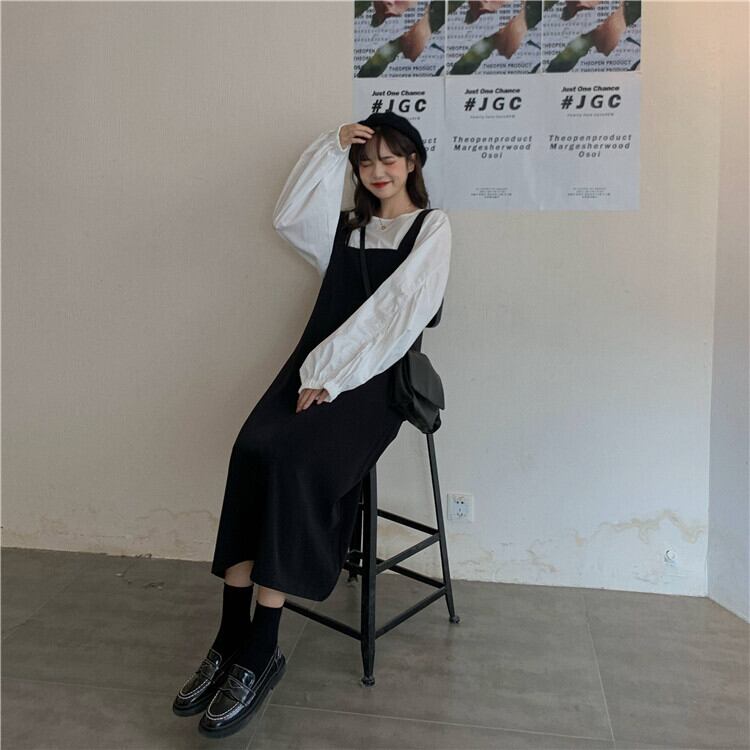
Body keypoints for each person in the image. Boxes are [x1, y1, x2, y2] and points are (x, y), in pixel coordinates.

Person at [172, 112, 452, 739]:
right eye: (365, 162)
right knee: (251, 449)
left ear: (412, 162)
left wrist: (332, 375)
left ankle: (261, 648)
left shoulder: (431, 227)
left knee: (296, 462)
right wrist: (330, 147)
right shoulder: (348, 228)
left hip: (372, 380)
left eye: (389, 159)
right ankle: (229, 636)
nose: (376, 172)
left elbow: (398, 315)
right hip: (314, 369)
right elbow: (290, 218)